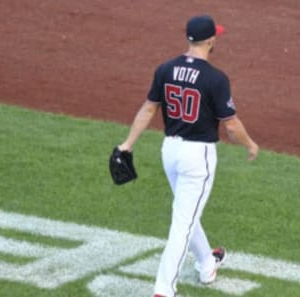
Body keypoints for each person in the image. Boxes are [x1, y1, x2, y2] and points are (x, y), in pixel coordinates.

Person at [117, 15, 259, 297]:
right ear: (210, 40)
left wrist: (127, 144)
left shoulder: (166, 69)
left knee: (186, 212)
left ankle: (207, 263)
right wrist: (250, 144)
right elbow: (230, 125)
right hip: (198, 156)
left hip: (169, 150)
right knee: (182, 223)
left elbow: (148, 108)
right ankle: (163, 289)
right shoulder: (215, 79)